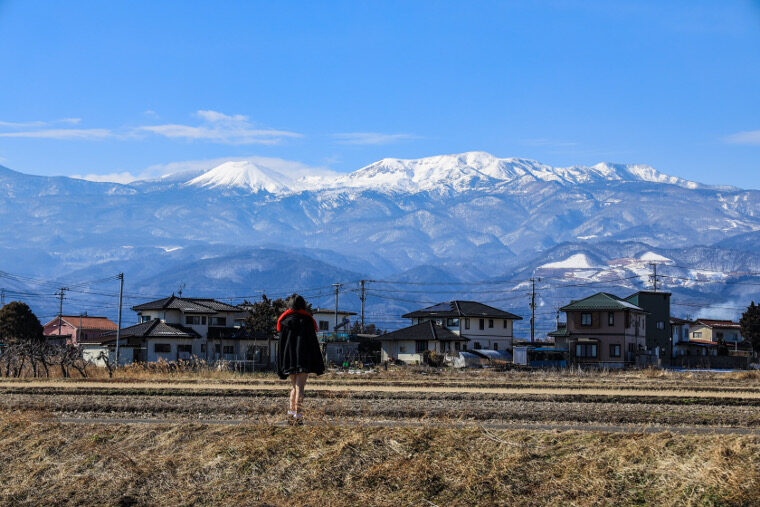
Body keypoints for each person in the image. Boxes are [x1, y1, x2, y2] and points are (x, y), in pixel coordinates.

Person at [276, 294, 325, 425]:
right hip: (303, 359)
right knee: (300, 388)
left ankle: (291, 415)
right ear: (303, 305)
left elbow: (281, 344)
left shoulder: (284, 321)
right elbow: (313, 343)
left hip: (289, 360)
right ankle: (298, 417)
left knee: (294, 387)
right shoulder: (308, 321)